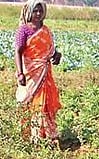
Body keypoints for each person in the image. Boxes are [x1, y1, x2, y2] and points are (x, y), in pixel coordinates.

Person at [14, 0, 62, 145]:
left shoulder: (46, 30)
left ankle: (47, 135)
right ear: (29, 11)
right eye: (35, 11)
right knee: (30, 102)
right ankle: (31, 135)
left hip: (45, 72)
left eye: (41, 11)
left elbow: (51, 51)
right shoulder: (24, 30)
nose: (38, 14)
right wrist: (20, 73)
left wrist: (57, 55)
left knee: (45, 103)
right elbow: (18, 51)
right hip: (31, 72)